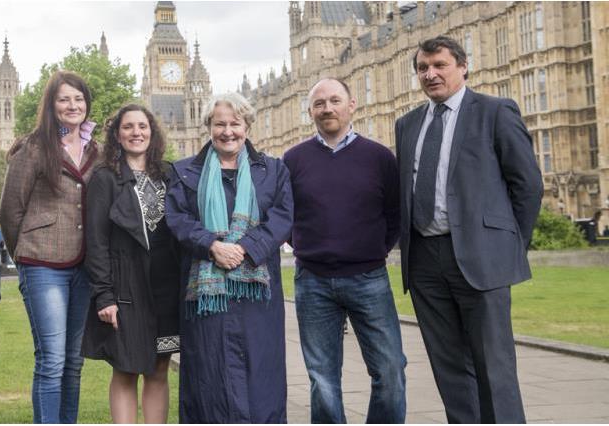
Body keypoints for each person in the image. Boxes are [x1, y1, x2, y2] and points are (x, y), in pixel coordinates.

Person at [395, 35, 543, 423]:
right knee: (450, 371)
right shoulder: (407, 124)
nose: (430, 74)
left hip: (481, 257)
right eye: (423, 68)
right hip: (425, 260)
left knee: (494, 368)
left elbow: (527, 185)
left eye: (439, 65)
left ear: (463, 66)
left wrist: (507, 246)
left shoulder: (495, 112)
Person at [165, 93, 294, 423]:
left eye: (235, 123)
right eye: (219, 124)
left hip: (256, 298)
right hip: (207, 302)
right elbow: (177, 219)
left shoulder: (274, 170)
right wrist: (211, 245)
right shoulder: (182, 173)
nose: (227, 131)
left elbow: (281, 217)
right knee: (209, 374)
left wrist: (246, 248)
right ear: (208, 126)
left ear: (247, 126)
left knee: (260, 375)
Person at [283, 77, 405, 423]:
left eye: (335, 101)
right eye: (319, 103)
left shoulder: (379, 157)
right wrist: (306, 244)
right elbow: (283, 215)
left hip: (369, 278)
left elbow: (395, 213)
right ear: (310, 111)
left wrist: (374, 249)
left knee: (391, 370)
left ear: (351, 105)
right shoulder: (293, 160)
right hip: (313, 280)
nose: (327, 108)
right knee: (322, 378)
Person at [0, 70, 99, 423]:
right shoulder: (34, 146)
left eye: (78, 99)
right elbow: (10, 209)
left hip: (84, 266)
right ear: (52, 105)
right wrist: (25, 255)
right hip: (42, 264)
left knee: (73, 362)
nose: (72, 105)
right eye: (64, 99)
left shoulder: (97, 150)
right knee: (51, 360)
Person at [81, 104, 181, 423]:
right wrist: (104, 295)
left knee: (159, 368)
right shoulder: (105, 178)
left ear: (152, 132)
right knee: (126, 369)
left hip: (165, 288)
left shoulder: (169, 174)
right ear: (117, 134)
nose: (136, 133)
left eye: (142, 126)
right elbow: (95, 241)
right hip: (125, 288)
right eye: (128, 127)